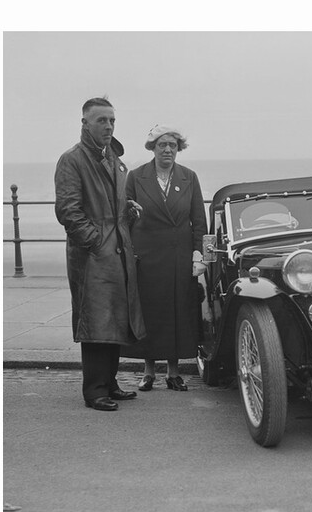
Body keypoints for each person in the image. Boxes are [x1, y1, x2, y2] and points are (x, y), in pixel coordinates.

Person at [55, 97, 146, 411]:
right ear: (85, 123)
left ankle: (109, 382)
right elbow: (68, 211)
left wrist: (127, 212)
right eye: (101, 120)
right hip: (93, 254)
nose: (108, 126)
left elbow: (110, 206)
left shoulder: (113, 159)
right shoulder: (73, 160)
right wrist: (95, 242)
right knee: (96, 321)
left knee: (116, 318)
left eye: (111, 120)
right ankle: (94, 391)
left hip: (117, 248)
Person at [121, 125, 208, 392]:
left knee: (176, 312)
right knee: (149, 312)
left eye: (172, 145)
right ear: (152, 148)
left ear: (178, 149)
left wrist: (198, 254)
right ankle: (148, 372)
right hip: (146, 255)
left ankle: (173, 371)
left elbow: (199, 221)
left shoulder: (189, 177)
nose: (168, 149)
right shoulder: (136, 177)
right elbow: (124, 215)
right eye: (162, 145)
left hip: (178, 256)